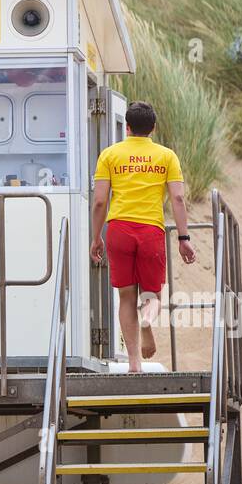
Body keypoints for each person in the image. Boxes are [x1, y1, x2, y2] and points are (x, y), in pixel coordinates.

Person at [90, 100, 196, 373]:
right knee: (152, 295)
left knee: (126, 297)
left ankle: (134, 364)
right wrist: (184, 238)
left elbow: (100, 202)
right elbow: (178, 198)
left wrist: (96, 237)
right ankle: (148, 317)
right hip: (150, 230)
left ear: (127, 127)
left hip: (119, 229)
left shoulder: (110, 155)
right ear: (153, 128)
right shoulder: (166, 156)